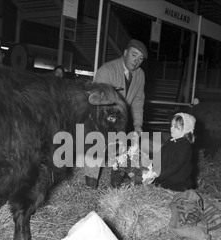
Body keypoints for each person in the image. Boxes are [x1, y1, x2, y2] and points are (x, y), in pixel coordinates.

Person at [84, 39, 148, 189]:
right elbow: (96, 100)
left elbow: (138, 100)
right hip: (101, 119)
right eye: (134, 55)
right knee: (96, 149)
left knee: (121, 152)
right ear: (125, 53)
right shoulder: (107, 70)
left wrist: (138, 124)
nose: (136, 61)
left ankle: (116, 186)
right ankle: (90, 186)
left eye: (140, 59)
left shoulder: (140, 75)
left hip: (121, 120)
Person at [153, 112, 196, 192]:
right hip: (165, 178)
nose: (171, 129)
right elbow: (160, 154)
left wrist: (158, 174)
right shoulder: (170, 141)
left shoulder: (184, 146)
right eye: (171, 126)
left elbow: (175, 166)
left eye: (175, 127)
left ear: (185, 129)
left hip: (178, 183)